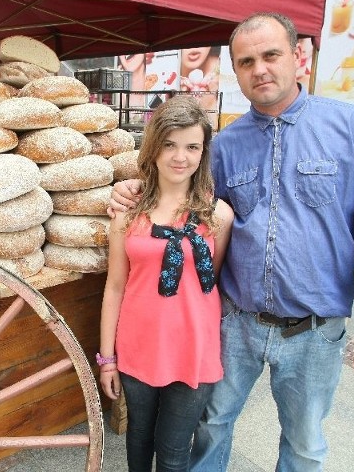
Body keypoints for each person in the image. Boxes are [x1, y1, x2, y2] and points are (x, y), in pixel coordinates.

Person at [109, 12, 354, 471]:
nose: (260, 70)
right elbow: (186, 203)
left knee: (305, 443)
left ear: (299, 57)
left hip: (315, 329)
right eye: (247, 61)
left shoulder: (353, 130)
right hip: (237, 324)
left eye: (271, 55)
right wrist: (133, 186)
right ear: (236, 70)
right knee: (212, 426)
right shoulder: (226, 145)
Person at [98, 95, 233, 472]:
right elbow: (115, 287)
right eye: (170, 145)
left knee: (174, 451)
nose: (180, 157)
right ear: (154, 148)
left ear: (203, 151)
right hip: (138, 345)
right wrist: (107, 358)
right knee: (139, 437)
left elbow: (211, 282)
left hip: (194, 347)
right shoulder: (126, 218)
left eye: (192, 146)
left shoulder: (218, 216)